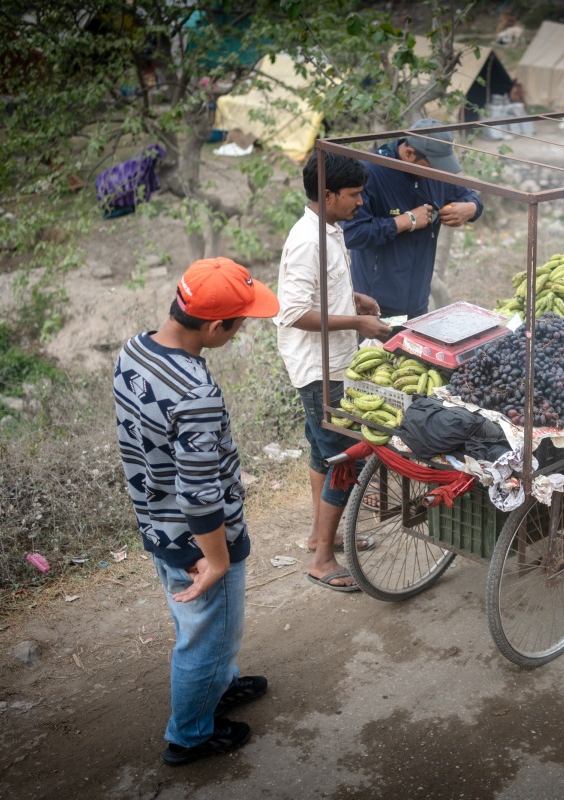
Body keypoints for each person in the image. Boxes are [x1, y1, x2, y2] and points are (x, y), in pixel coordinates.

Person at [113, 257, 279, 765]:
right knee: (209, 633)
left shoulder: (135, 349)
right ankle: (189, 736)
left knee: (199, 625)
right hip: (203, 539)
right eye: (240, 321)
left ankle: (218, 684)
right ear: (213, 325)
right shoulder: (196, 392)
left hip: (157, 523)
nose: (243, 327)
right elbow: (200, 492)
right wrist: (218, 560)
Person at [275, 150, 394, 591]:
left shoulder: (330, 227)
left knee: (320, 450)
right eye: (353, 195)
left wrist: (354, 298)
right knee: (343, 457)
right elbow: (294, 312)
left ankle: (318, 537)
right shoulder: (309, 240)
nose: (360, 203)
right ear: (327, 195)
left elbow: (323, 291)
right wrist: (359, 323)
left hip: (329, 358)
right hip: (319, 368)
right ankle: (323, 560)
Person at [342, 118, 483, 319]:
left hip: (418, 303)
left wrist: (471, 208)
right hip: (374, 306)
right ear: (409, 154)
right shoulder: (370, 173)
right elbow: (353, 234)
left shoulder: (436, 173)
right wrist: (405, 221)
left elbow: (468, 195)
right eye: (433, 166)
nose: (438, 173)